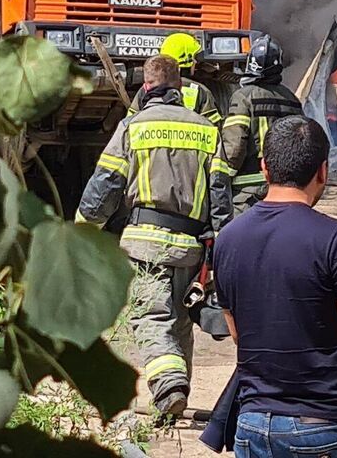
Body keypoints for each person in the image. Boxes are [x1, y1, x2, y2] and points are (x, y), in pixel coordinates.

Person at [209, 117, 337, 458]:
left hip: (253, 427)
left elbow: (239, 333)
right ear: (323, 170)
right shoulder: (336, 239)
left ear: (264, 168)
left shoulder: (228, 239)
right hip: (329, 426)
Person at [79, 54, 233, 417]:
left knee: (151, 318)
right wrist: (220, 250)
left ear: (146, 87)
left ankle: (168, 386)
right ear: (180, 88)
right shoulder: (207, 132)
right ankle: (174, 400)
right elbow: (221, 198)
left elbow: (105, 186)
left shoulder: (133, 127)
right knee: (180, 322)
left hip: (146, 244)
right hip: (192, 250)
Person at [219, 35, 305, 215]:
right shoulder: (293, 101)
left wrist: (222, 178)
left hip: (248, 191)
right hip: (284, 189)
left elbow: (234, 147)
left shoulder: (243, 97)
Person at [160, 32, 222, 125]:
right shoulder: (201, 92)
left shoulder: (147, 90)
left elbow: (131, 120)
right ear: (187, 60)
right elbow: (214, 127)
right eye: (193, 58)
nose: (195, 61)